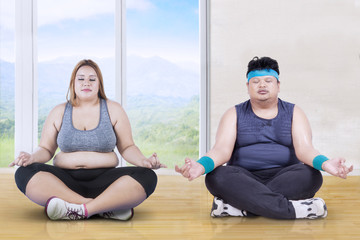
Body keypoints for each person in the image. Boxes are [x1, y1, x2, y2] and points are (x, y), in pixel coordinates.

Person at [175, 56, 353, 219]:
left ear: (278, 85)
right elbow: (221, 150)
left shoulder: (294, 112)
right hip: (243, 177)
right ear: (247, 86)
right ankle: (295, 210)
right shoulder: (233, 114)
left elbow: (305, 149)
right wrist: (201, 166)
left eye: (268, 81)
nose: (262, 85)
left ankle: (237, 207)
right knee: (216, 176)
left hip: (285, 176)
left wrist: (326, 163)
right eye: (256, 81)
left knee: (311, 175)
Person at [10, 59, 166, 221]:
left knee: (147, 176)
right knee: (24, 172)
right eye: (81, 78)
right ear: (73, 83)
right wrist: (31, 157)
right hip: (64, 182)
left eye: (92, 79)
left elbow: (127, 147)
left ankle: (78, 209)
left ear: (99, 84)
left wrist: (144, 161)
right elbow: (46, 149)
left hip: (106, 182)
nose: (87, 83)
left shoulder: (114, 110)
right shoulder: (59, 111)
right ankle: (100, 207)